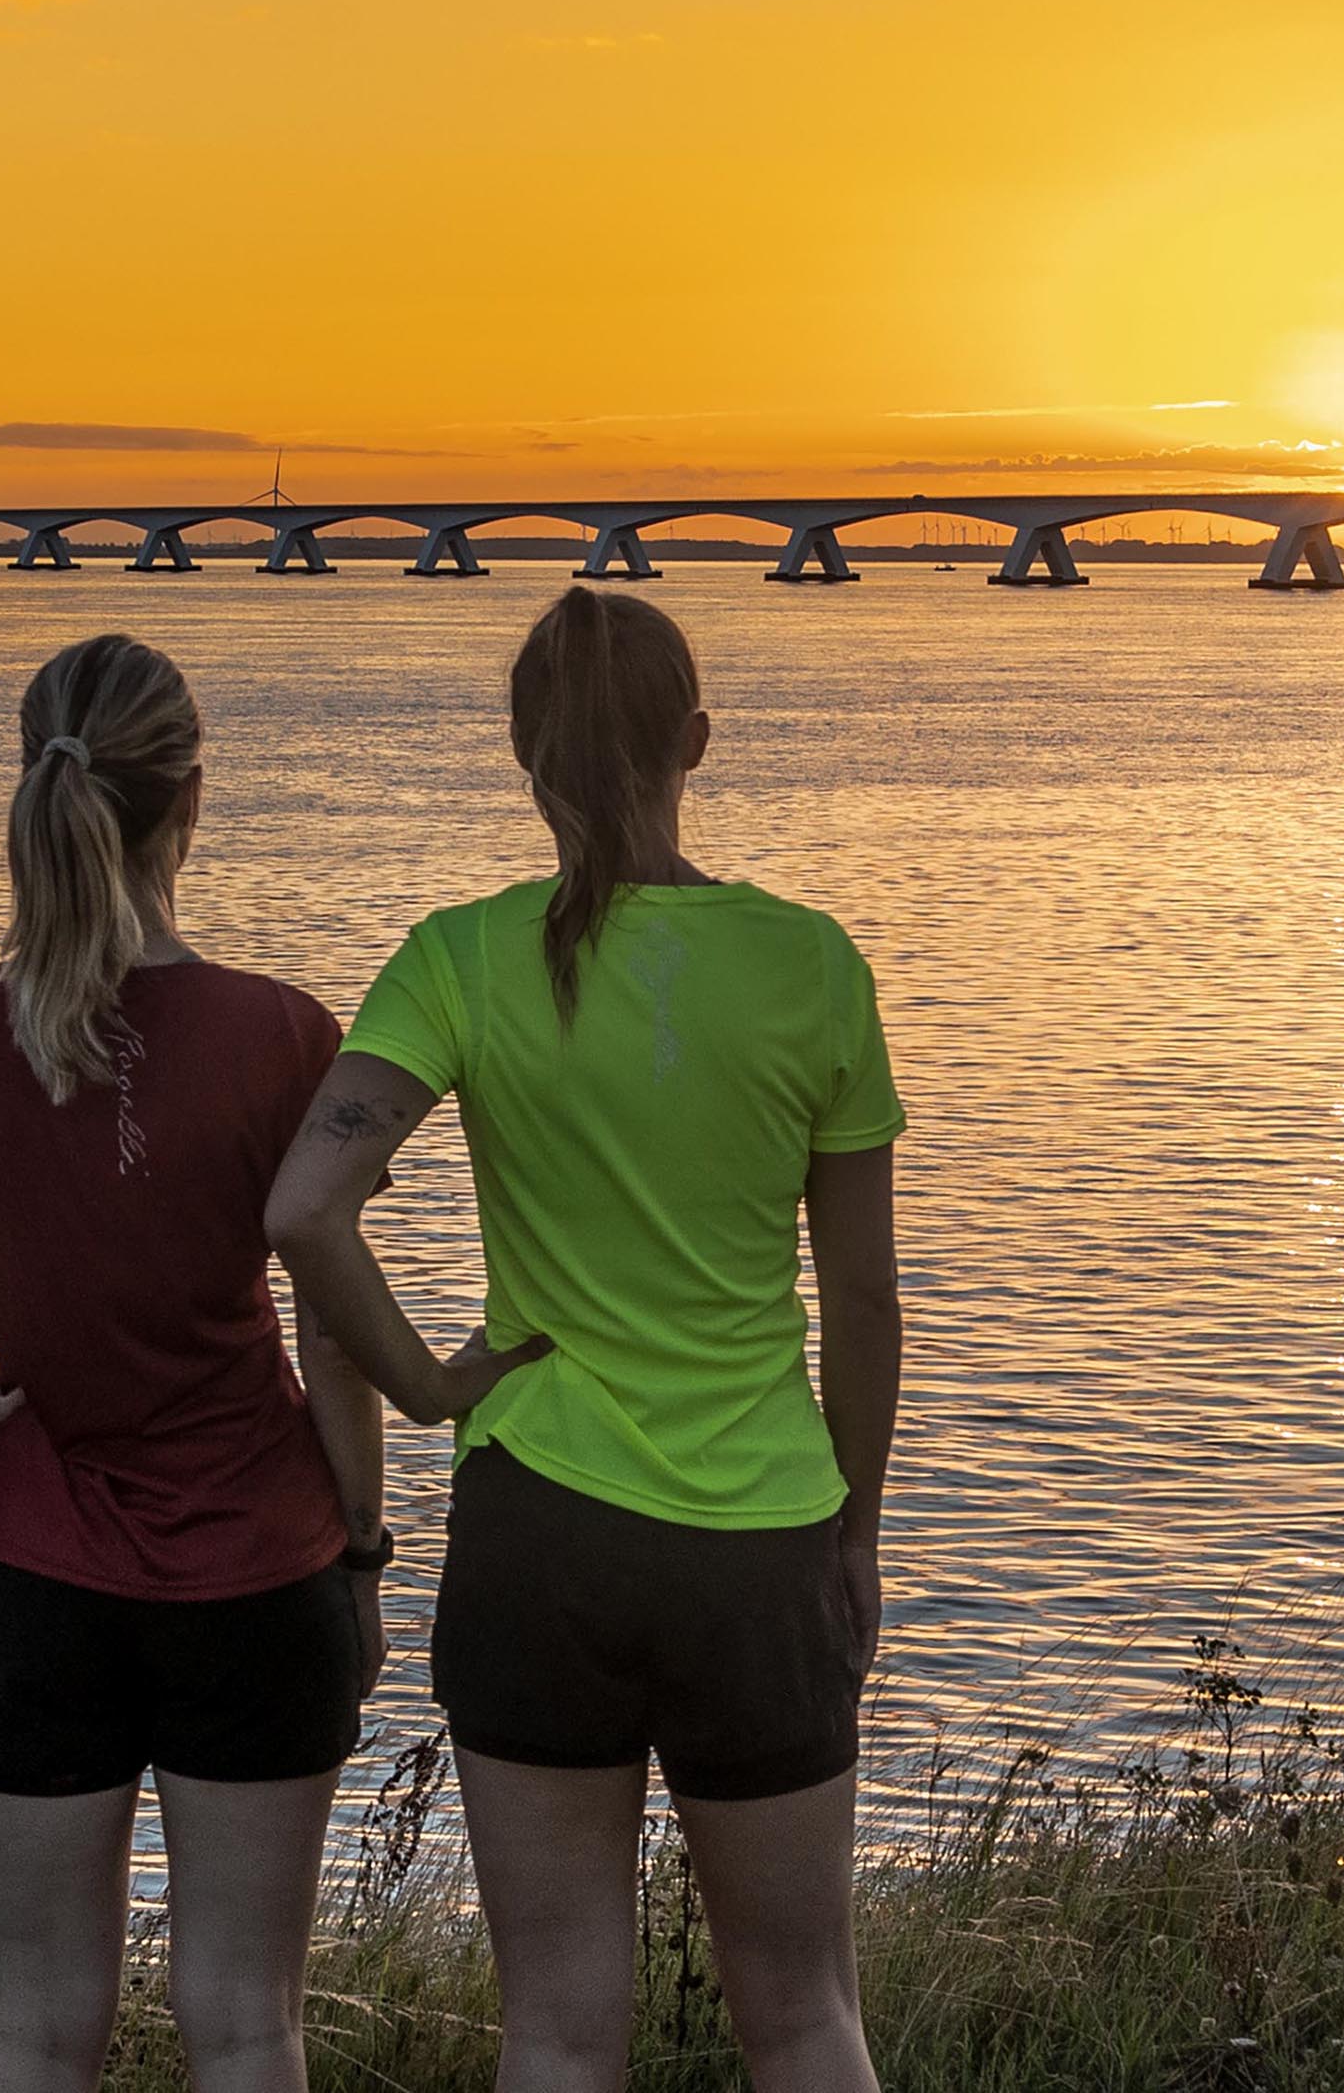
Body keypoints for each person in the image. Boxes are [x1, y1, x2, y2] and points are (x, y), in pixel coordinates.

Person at [0, 633, 531, 2093]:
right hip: (258, 1577)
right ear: (193, 804)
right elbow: (330, 1328)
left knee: (39, 2029)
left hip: (34, 1585)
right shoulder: (282, 1031)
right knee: (247, 2024)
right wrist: (361, 1551)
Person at [266, 587, 905, 2093]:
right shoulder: (813, 966)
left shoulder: (461, 957)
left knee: (556, 2025)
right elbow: (865, 1301)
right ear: (697, 740)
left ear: (521, 757)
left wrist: (427, 1385)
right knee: (805, 2014)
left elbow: (305, 1208)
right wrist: (854, 1533)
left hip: (540, 1531)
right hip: (762, 1539)